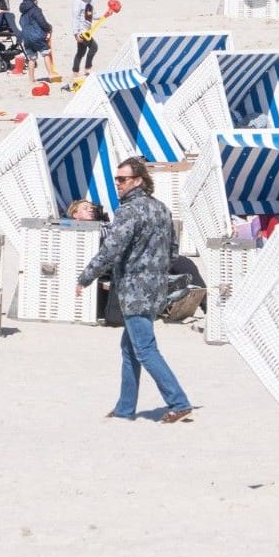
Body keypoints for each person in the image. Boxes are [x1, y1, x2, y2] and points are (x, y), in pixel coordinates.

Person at [77, 157, 195, 424]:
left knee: (144, 348)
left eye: (123, 179)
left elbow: (111, 250)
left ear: (138, 180)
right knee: (130, 348)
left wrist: (85, 277)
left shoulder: (129, 211)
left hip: (134, 289)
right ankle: (125, 408)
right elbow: (173, 251)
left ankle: (178, 401)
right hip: (156, 289)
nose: (117, 184)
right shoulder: (162, 209)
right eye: (116, 179)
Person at [17, 0, 57, 82]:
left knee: (31, 58)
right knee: (46, 53)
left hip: (26, 39)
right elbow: (42, 22)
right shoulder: (36, 10)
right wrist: (48, 28)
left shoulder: (22, 14)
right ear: (34, 1)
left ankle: (31, 79)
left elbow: (21, 24)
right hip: (37, 37)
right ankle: (51, 74)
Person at [70, 0, 98, 80]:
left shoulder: (90, 2)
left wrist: (105, 14)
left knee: (81, 52)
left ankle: (75, 71)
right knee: (94, 47)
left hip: (88, 31)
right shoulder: (77, 2)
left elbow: (93, 16)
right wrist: (76, 34)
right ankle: (88, 67)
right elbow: (75, 18)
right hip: (82, 32)